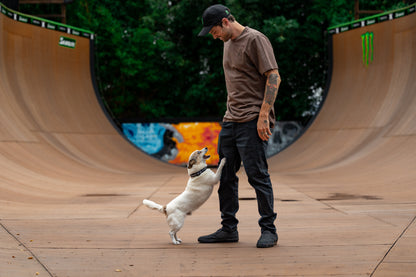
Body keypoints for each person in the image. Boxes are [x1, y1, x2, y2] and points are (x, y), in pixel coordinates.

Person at [197, 4, 281, 248]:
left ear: (225, 22)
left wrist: (264, 114)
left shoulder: (255, 39)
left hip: (252, 119)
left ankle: (269, 230)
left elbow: (274, 76)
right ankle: (228, 228)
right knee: (224, 176)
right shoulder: (226, 42)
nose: (213, 37)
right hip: (231, 120)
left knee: (257, 175)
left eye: (213, 31)